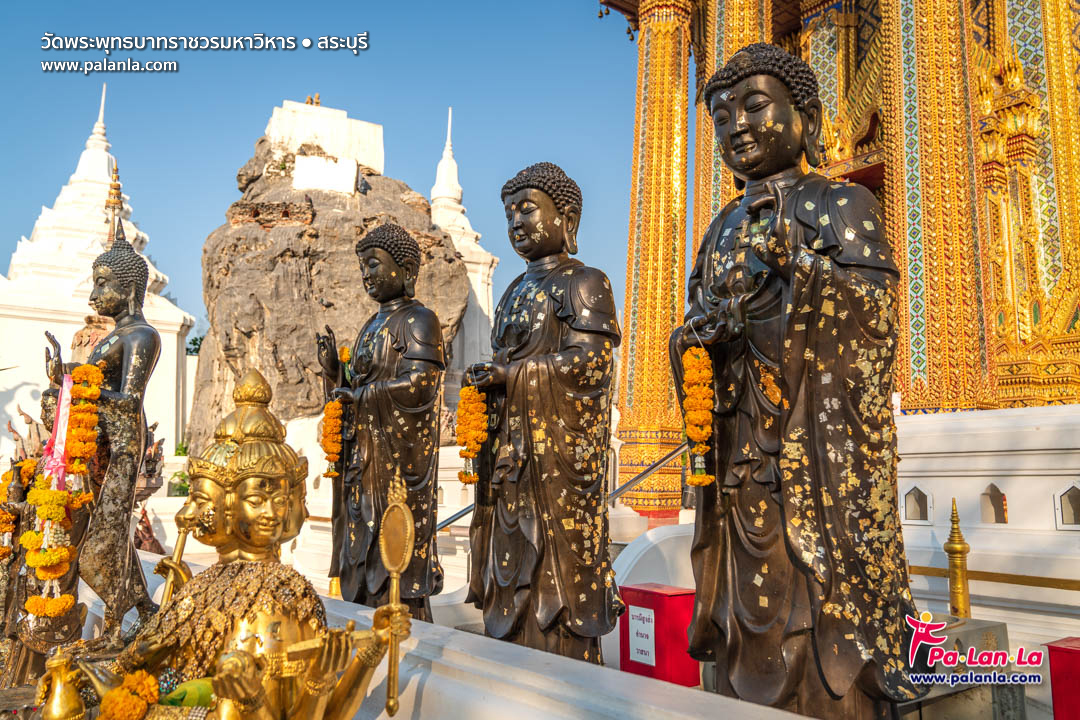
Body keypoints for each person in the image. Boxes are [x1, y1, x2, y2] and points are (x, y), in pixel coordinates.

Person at [669, 43, 924, 718]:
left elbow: (875, 318)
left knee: (816, 609)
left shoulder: (840, 205)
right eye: (721, 117)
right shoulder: (721, 227)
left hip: (817, 454)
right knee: (747, 606)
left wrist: (802, 272)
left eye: (754, 106)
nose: (737, 127)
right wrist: (699, 336)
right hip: (741, 447)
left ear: (805, 117)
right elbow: (702, 318)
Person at [37, 369, 409, 720]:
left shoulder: (285, 596)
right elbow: (157, 671)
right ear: (223, 502)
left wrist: (345, 664)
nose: (273, 511)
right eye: (258, 497)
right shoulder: (206, 584)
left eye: (281, 497)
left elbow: (297, 713)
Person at [465, 162, 623, 663]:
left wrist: (509, 376)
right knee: (510, 580)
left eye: (527, 209)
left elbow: (592, 365)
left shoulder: (584, 282)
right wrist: (488, 380)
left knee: (554, 588)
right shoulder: (512, 291)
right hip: (511, 462)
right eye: (509, 212)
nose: (515, 222)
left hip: (557, 470)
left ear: (567, 219)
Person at [316, 223, 444, 620]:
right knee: (360, 546)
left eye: (373, 264)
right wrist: (335, 374)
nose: (366, 274)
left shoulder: (419, 320)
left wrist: (361, 395)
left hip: (397, 463)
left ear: (406, 270)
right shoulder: (371, 326)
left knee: (392, 552)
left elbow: (422, 384)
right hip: (363, 460)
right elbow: (358, 384)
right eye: (362, 268)